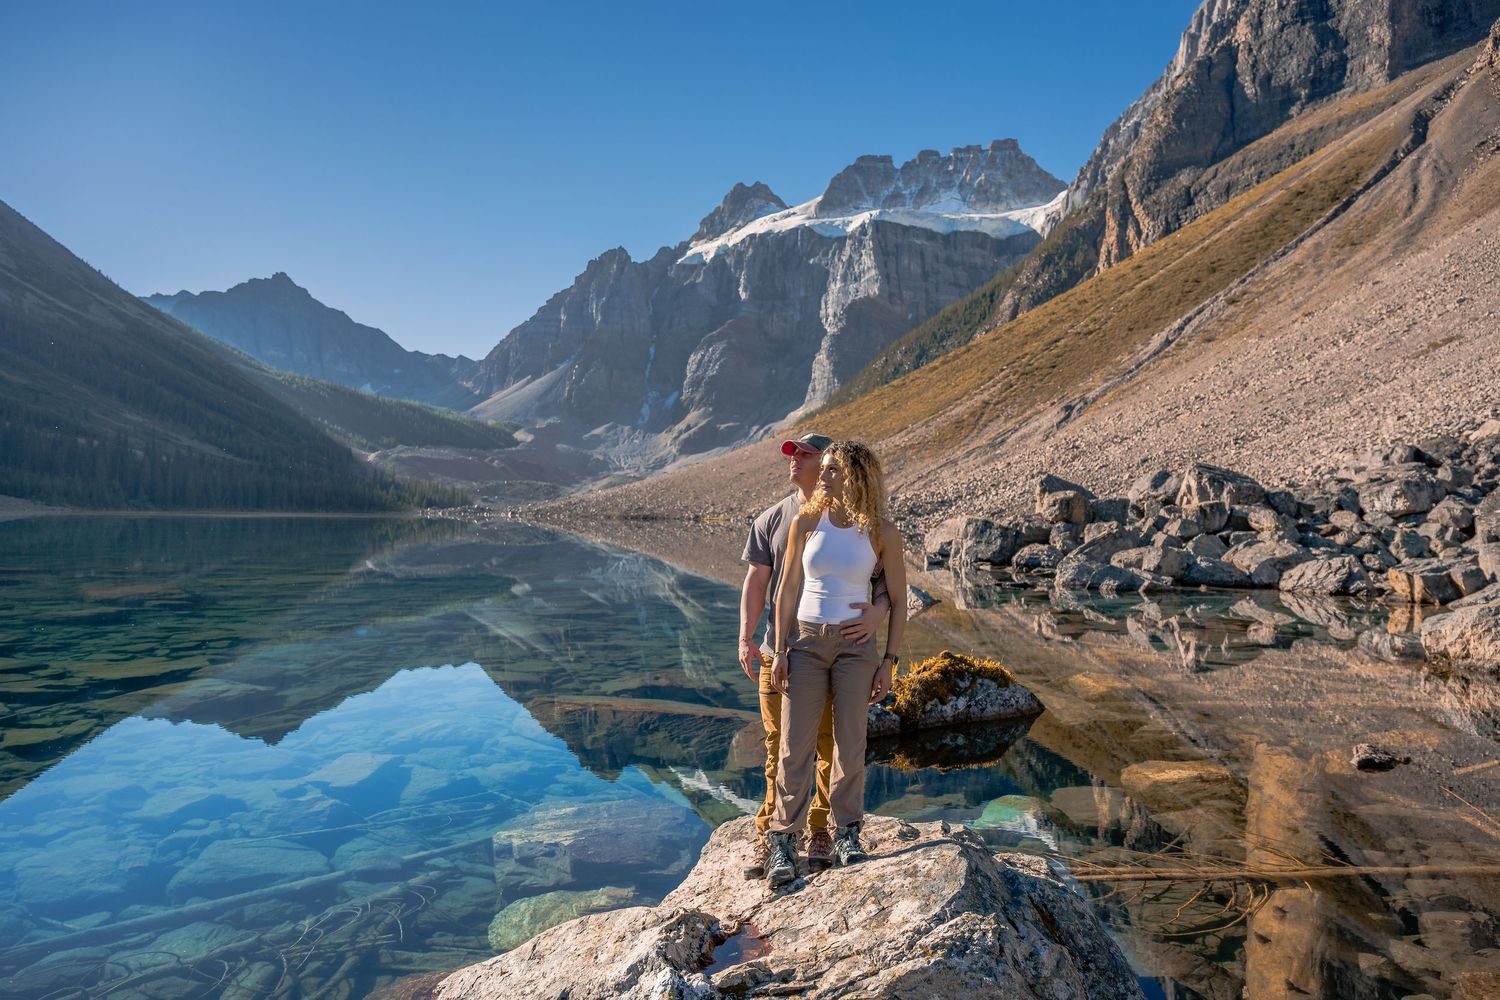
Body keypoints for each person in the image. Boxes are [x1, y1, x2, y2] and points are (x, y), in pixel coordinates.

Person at [739, 432, 889, 879]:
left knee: (831, 745)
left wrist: (880, 613)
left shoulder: (858, 519)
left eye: (806, 454)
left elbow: (881, 579)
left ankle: (822, 830)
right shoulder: (775, 519)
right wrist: (748, 639)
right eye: (794, 455)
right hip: (781, 651)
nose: (796, 461)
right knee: (780, 747)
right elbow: (759, 584)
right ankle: (770, 836)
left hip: (840, 649)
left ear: (832, 464)